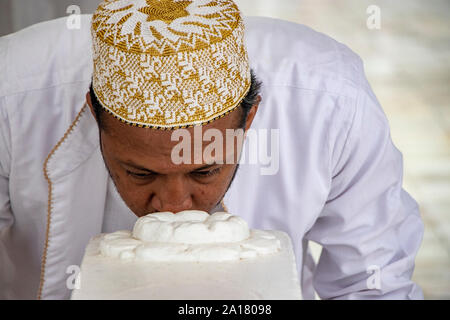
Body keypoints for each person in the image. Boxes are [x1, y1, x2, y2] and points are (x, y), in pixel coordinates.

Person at [0, 0, 424, 300]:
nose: (173, 206)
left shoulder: (329, 101)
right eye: (141, 174)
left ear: (250, 119)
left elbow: (371, 285)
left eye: (203, 172)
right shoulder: (11, 97)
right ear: (94, 115)